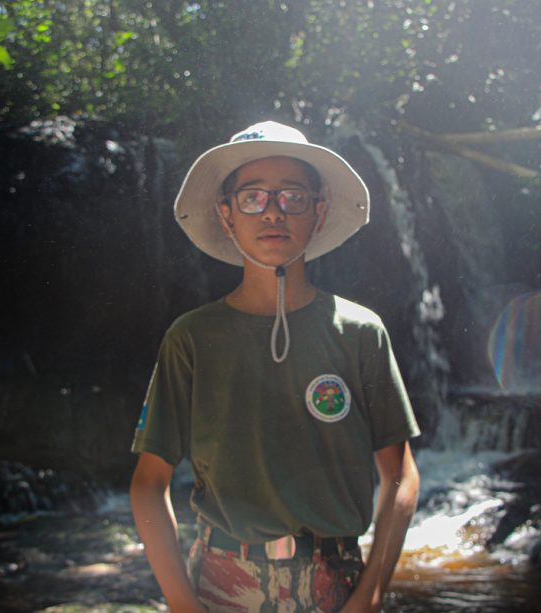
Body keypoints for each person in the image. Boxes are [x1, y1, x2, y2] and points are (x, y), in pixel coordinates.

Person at [130, 121, 421, 612]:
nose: (272, 213)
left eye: (292, 197)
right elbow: (148, 482)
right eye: (252, 198)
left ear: (319, 210)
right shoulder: (192, 338)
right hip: (221, 584)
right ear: (226, 215)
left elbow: (400, 476)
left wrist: (370, 593)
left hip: (339, 583)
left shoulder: (359, 333)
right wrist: (183, 603)